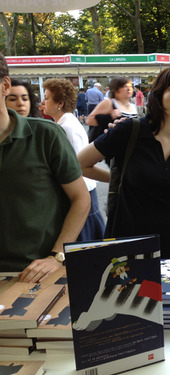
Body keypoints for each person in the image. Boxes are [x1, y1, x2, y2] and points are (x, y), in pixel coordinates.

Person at [78, 67, 170, 259]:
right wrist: (118, 178)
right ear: (160, 93)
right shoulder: (130, 130)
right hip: (128, 249)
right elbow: (79, 164)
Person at [0, 53, 90, 282]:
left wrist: (57, 256)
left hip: (35, 273)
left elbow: (81, 198)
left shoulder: (45, 134)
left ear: (5, 85)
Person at [42, 78, 106, 242]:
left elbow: (76, 167)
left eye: (47, 98)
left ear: (60, 103)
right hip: (82, 194)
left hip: (80, 195)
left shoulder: (66, 128)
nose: (43, 101)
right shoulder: (65, 124)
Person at [86, 77, 137, 142]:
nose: (129, 89)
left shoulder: (132, 106)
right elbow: (89, 120)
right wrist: (110, 116)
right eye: (125, 86)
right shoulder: (109, 103)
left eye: (130, 86)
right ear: (116, 90)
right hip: (107, 144)